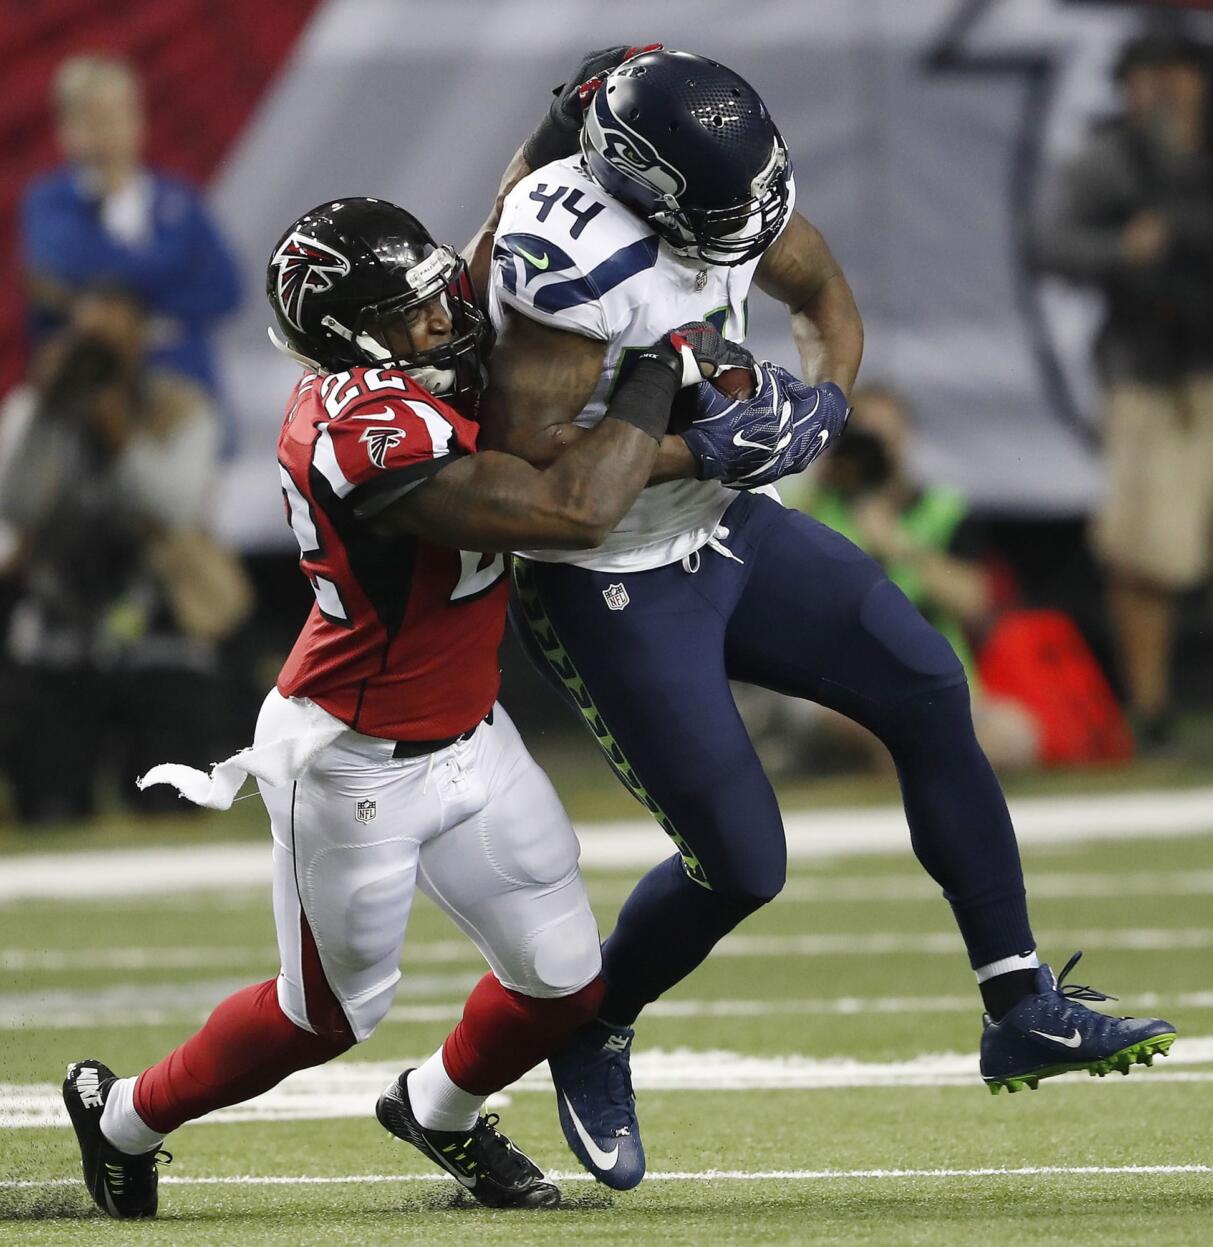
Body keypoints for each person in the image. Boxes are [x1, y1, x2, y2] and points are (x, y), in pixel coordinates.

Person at [480, 48, 1177, 1189]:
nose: (744, 227)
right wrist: (696, 442)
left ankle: (1019, 1001)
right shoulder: (565, 249)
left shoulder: (732, 193)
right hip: (606, 569)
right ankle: (591, 1021)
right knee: (741, 863)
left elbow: (820, 295)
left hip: (730, 527)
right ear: (634, 182)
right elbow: (529, 473)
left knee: (924, 684)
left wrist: (820, 408)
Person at [59, 179, 772, 1215]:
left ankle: (435, 1110)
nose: (444, 315)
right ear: (354, 338)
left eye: (436, 290)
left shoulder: (425, 352)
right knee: (327, 1015)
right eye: (410, 311)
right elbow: (570, 511)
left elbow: (497, 234)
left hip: (469, 733)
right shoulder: (358, 434)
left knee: (564, 979)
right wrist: (666, 381)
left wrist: (561, 126)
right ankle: (122, 1114)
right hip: (351, 756)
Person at [1033, 30, 1213, 753]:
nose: (1168, 88)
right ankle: (1153, 714)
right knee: (1146, 558)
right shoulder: (1110, 160)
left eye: (1178, 72)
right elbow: (1051, 243)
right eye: (1151, 75)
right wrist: (1123, 249)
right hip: (1155, 380)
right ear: (1129, 85)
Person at [0, 288, 236, 822]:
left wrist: (120, 437)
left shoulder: (183, 405)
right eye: (88, 340)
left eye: (115, 338)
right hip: (59, 627)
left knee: (171, 806)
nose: (101, 353)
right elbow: (16, 505)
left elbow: (176, 508)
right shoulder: (36, 410)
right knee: (49, 808)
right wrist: (50, 411)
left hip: (163, 624)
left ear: (142, 341)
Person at [804, 384, 1039, 773]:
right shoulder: (814, 507)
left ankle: (910, 755)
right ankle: (915, 755)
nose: (875, 451)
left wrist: (900, 545)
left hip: (935, 688)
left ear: (905, 440)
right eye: (864, 438)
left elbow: (976, 602)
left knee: (1016, 735)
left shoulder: (941, 508)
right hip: (840, 690)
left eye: (886, 438)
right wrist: (819, 472)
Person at [20, 55, 241, 405]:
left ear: (139, 118)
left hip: (187, 395)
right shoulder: (49, 202)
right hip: (91, 403)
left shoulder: (178, 198)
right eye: (94, 118)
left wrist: (115, 302)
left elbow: (225, 288)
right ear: (66, 128)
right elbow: (64, 264)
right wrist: (170, 273)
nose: (109, 129)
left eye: (119, 114)